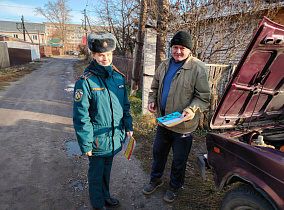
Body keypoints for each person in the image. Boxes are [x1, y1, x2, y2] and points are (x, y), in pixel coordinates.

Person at [142, 31, 210, 203]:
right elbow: (155, 87)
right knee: (158, 153)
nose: (178, 51)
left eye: (182, 48)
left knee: (179, 159)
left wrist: (192, 109)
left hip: (183, 127)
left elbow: (203, 97)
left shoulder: (198, 68)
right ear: (171, 48)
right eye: (175, 47)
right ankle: (156, 179)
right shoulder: (164, 64)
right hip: (164, 123)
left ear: (189, 50)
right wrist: (152, 101)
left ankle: (174, 186)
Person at [73, 33, 133, 210]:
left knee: (107, 171)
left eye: (108, 54)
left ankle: (105, 196)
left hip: (115, 137)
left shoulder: (118, 78)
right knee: (96, 174)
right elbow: (81, 115)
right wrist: (86, 143)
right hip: (97, 140)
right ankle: (98, 203)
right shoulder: (85, 82)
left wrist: (128, 126)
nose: (105, 58)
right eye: (101, 55)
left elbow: (125, 105)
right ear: (93, 55)